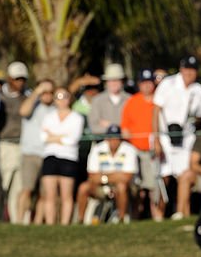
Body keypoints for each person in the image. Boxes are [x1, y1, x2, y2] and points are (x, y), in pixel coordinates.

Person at [153, 55, 201, 211]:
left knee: (184, 176)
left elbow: (199, 118)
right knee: (163, 178)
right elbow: (155, 111)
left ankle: (181, 212)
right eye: (187, 69)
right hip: (165, 137)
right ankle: (159, 215)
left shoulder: (199, 91)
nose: (189, 73)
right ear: (181, 69)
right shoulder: (167, 84)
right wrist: (156, 139)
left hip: (186, 140)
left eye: (193, 70)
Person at [121, 69, 164, 220]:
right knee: (137, 188)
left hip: (154, 150)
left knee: (155, 187)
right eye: (143, 83)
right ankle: (135, 217)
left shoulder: (159, 100)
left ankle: (157, 216)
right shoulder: (132, 101)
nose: (146, 86)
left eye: (149, 82)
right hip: (136, 151)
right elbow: (125, 128)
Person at [76, 124, 138, 223]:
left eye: (116, 138)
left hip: (125, 187)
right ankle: (80, 220)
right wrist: (112, 177)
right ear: (106, 138)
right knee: (83, 187)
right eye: (111, 138)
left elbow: (127, 177)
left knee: (121, 186)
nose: (114, 141)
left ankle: (121, 219)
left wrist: (103, 176)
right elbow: (92, 176)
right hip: (101, 186)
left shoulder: (129, 149)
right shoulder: (97, 149)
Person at [41, 87, 85, 224]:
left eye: (64, 96)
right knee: (50, 195)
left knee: (67, 195)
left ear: (69, 98)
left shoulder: (77, 118)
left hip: (68, 158)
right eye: (58, 97)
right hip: (50, 156)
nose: (61, 100)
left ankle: (65, 224)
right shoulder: (48, 117)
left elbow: (72, 140)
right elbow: (43, 137)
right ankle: (50, 224)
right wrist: (62, 136)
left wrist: (53, 136)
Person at [0, 61, 30, 222]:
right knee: (5, 184)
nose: (20, 82)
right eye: (17, 79)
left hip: (23, 145)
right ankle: (0, 217)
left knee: (19, 186)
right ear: (9, 79)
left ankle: (18, 220)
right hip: (5, 145)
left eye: (22, 79)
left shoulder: (28, 96)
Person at [17, 81, 56, 224]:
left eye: (50, 92)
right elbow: (23, 111)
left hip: (49, 154)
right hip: (30, 153)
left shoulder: (55, 109)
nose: (47, 95)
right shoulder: (32, 104)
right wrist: (37, 92)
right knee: (27, 189)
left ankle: (38, 223)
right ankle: (19, 221)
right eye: (44, 92)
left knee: (44, 193)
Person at [89, 63, 129, 135]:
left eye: (117, 80)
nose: (114, 83)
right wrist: (118, 130)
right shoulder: (97, 100)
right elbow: (94, 127)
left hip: (126, 140)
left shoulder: (130, 99)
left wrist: (110, 125)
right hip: (103, 140)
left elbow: (134, 125)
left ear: (122, 81)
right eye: (111, 80)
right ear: (106, 82)